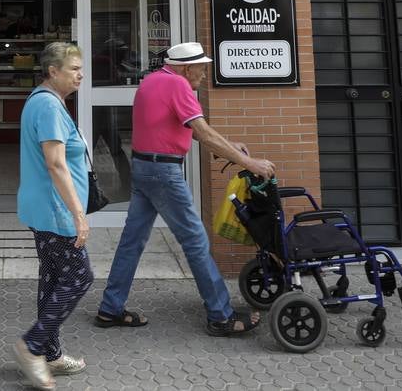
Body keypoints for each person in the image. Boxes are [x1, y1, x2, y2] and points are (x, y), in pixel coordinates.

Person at [94, 41, 276, 337]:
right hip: (164, 173)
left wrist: (229, 147)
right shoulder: (178, 86)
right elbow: (201, 132)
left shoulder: (152, 81)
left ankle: (110, 307)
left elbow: (178, 127)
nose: (204, 75)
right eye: (201, 69)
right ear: (187, 68)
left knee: (132, 241)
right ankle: (221, 315)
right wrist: (248, 162)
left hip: (143, 167)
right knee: (195, 241)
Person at [14, 41, 93, 389]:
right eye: (74, 68)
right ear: (53, 71)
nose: (80, 74)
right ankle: (31, 346)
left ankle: (52, 353)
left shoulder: (47, 102)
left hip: (45, 208)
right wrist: (78, 214)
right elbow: (56, 163)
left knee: (53, 280)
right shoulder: (47, 106)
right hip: (55, 210)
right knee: (79, 277)